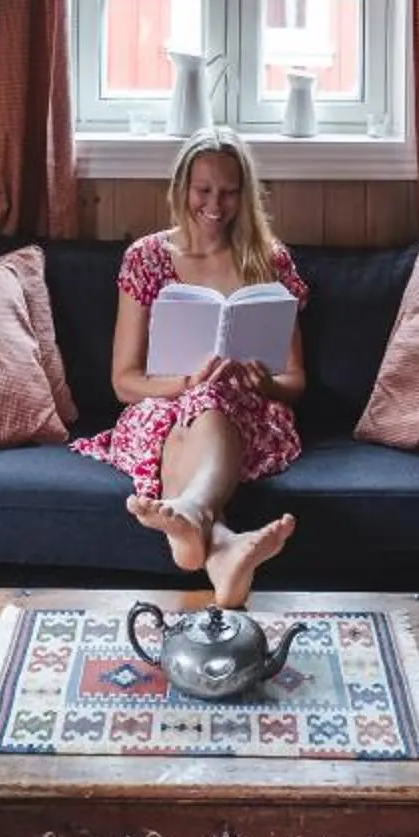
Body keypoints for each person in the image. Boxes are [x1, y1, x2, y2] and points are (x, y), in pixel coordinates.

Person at [72, 126, 306, 608]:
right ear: (182, 189)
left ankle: (191, 515)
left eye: (229, 192)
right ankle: (221, 547)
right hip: (161, 411)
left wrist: (264, 382)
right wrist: (186, 383)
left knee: (213, 398)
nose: (215, 205)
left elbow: (295, 381)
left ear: (246, 195)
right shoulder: (147, 258)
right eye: (204, 190)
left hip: (248, 415)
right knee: (198, 398)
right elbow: (124, 381)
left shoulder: (269, 260)